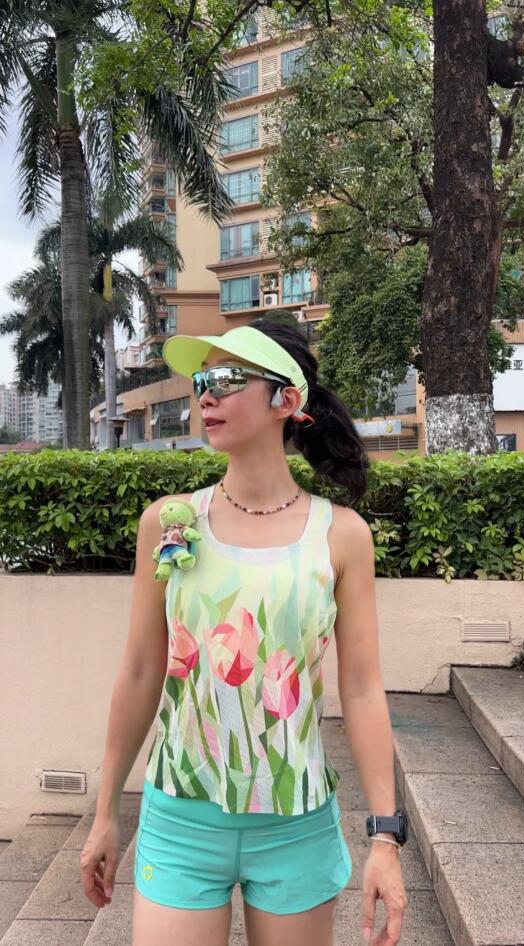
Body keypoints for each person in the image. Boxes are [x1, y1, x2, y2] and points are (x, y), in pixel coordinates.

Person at [80, 319, 408, 946]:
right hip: (180, 817)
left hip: (295, 824)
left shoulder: (341, 535)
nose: (205, 396)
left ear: (286, 399)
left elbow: (363, 689)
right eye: (201, 381)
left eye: (227, 379)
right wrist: (106, 811)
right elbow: (141, 671)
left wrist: (385, 837)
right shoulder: (169, 523)